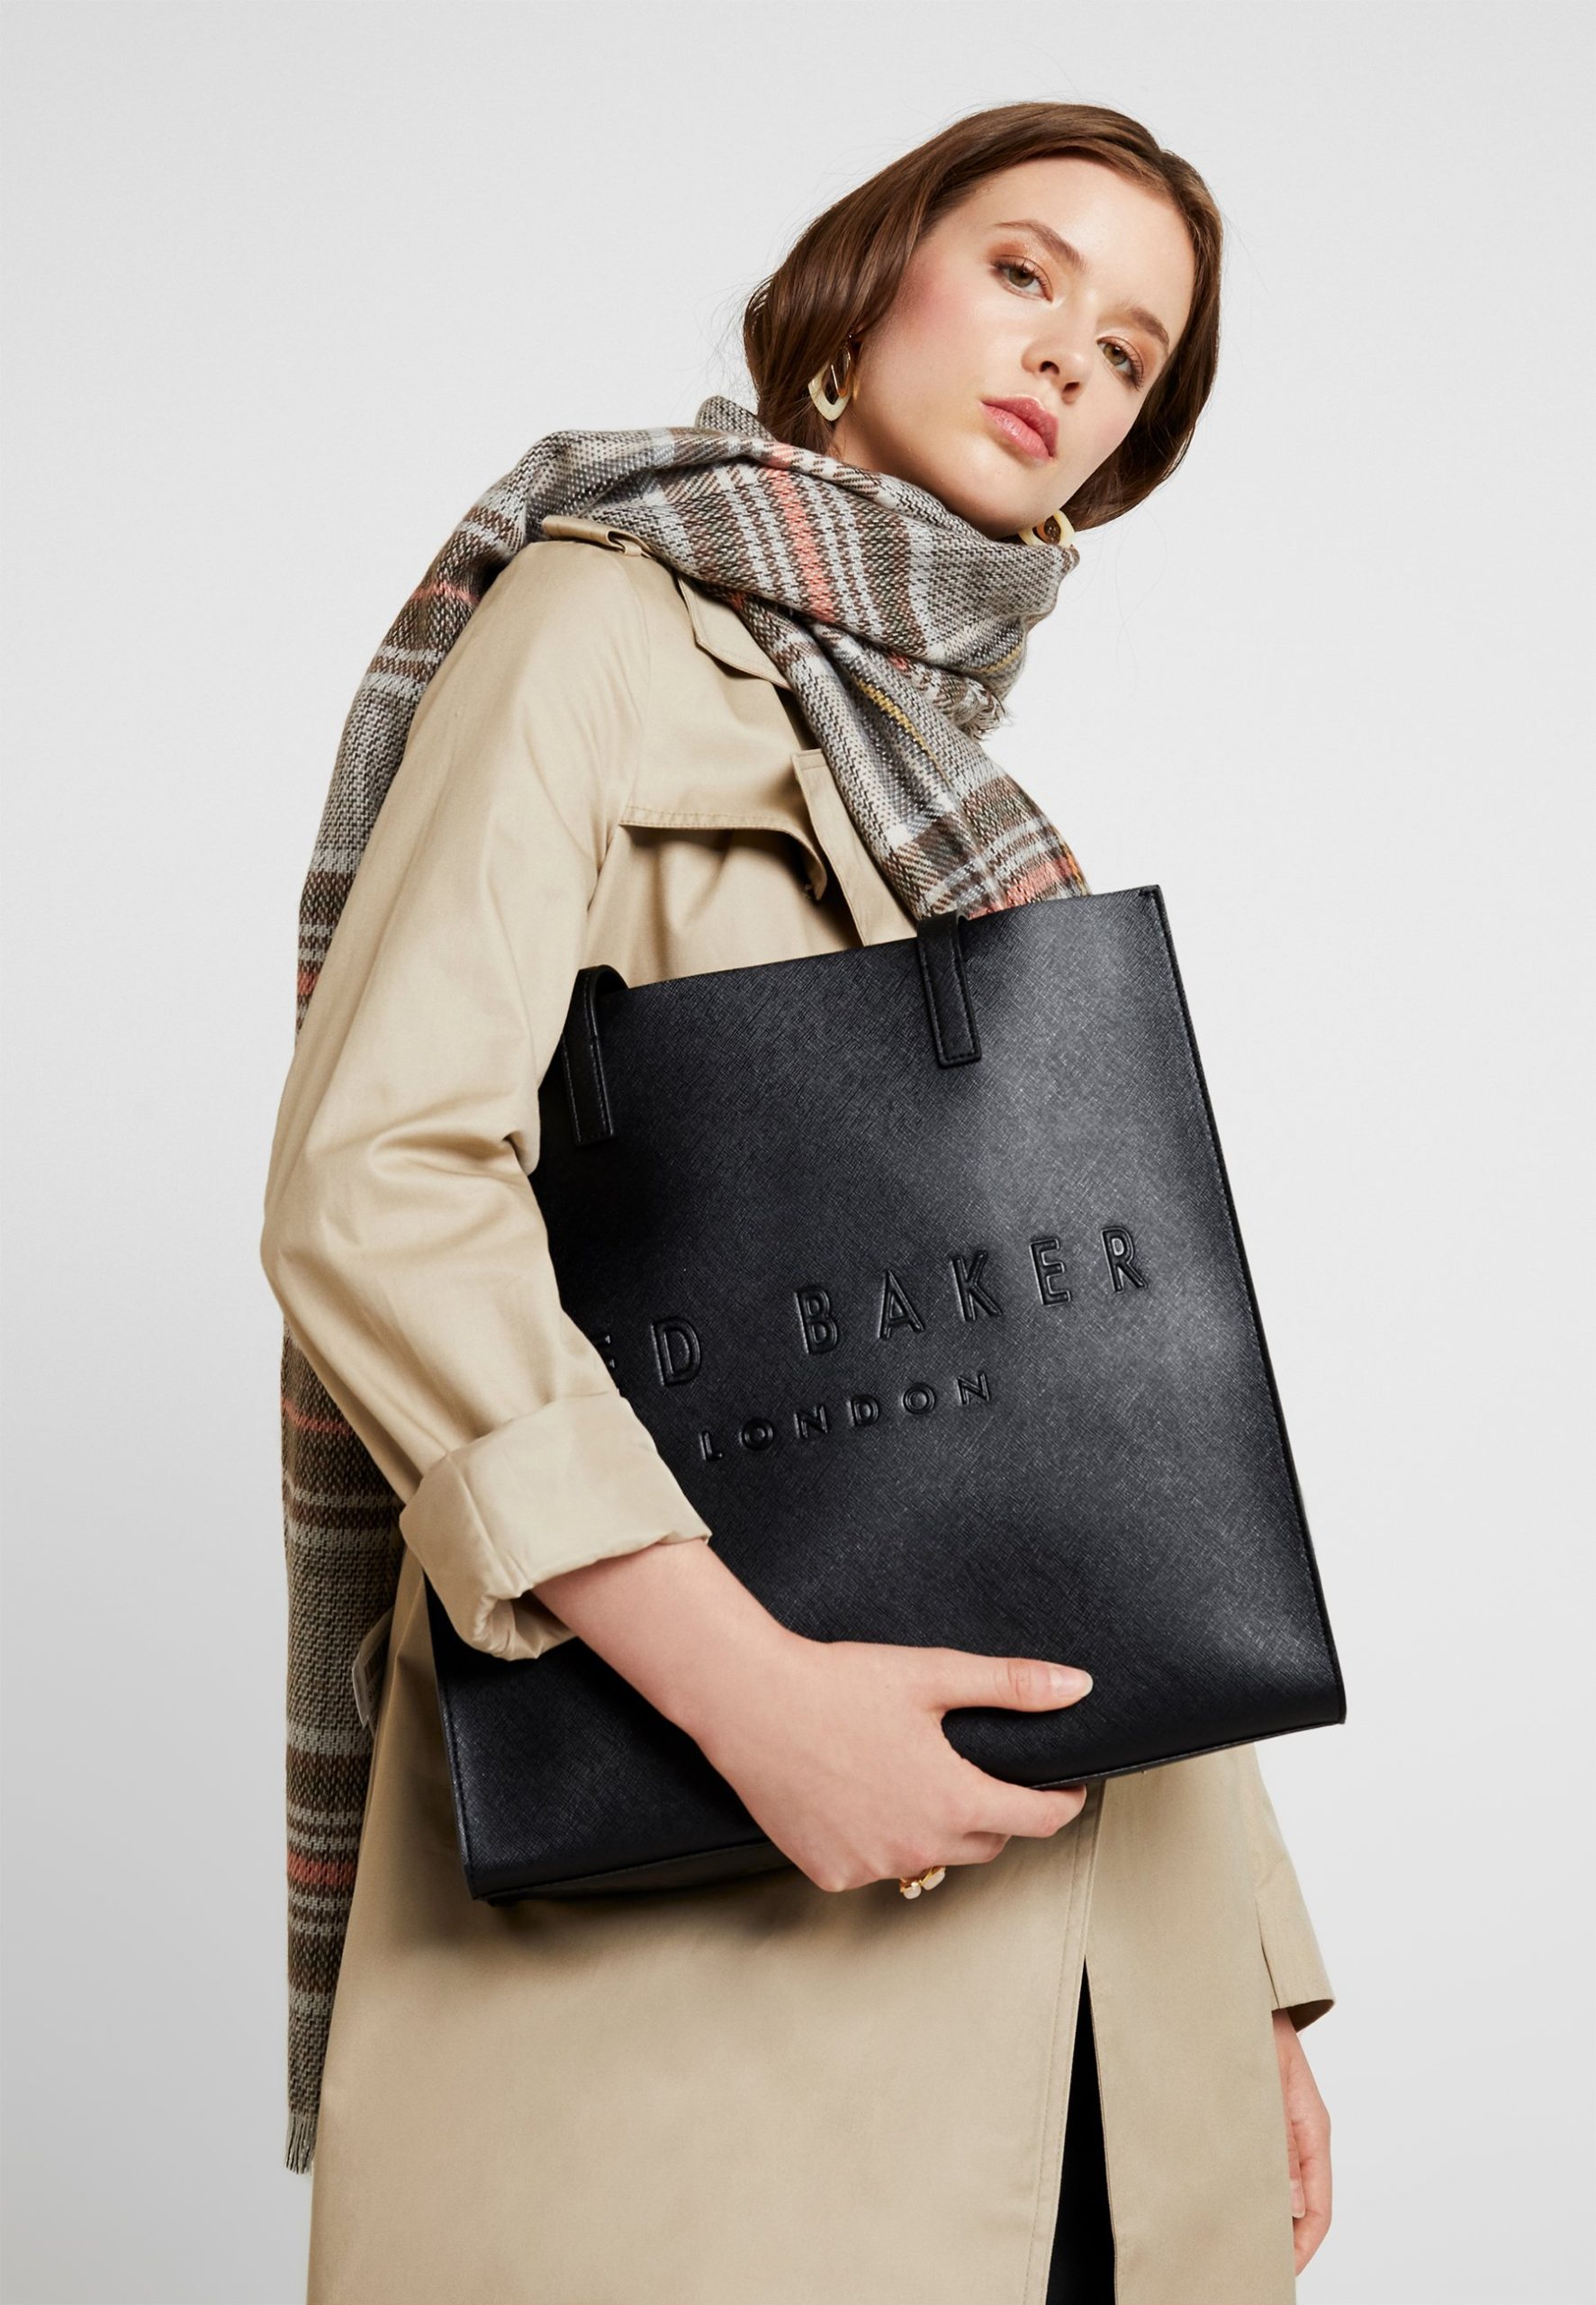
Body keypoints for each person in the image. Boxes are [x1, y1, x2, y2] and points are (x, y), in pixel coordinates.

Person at [260, 99, 1335, 2305]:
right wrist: (752, 1695)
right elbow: (378, 1180)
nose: (1067, 356)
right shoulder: (598, 618)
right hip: (728, 1964)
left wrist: (1247, 1975)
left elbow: (1106, 1436)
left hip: (1103, 2000)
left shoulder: (945, 781)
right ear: (863, 290)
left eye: (1128, 353)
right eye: (1024, 272)